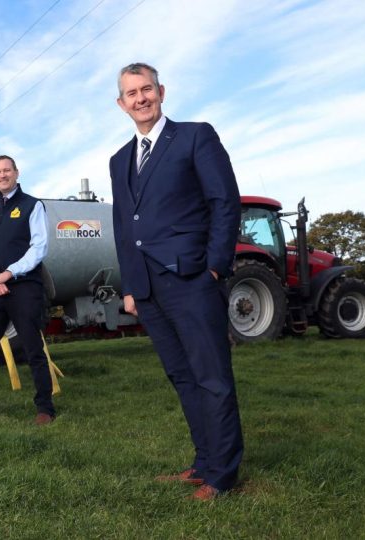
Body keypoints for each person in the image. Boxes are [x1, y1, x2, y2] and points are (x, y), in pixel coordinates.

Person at [110, 63, 243, 500]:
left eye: (146, 89)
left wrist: (215, 267)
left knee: (212, 377)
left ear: (161, 91)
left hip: (192, 279)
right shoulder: (118, 161)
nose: (140, 98)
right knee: (183, 378)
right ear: (121, 103)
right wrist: (130, 286)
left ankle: (223, 475)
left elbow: (224, 202)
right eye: (131, 93)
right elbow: (123, 226)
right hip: (148, 288)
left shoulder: (194, 136)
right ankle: (203, 463)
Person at [0, 155, 56, 425]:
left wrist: (9, 273)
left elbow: (39, 247)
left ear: (16, 172)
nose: (2, 175)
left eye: (6, 170)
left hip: (25, 285)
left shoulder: (32, 205)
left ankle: (45, 408)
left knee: (32, 347)